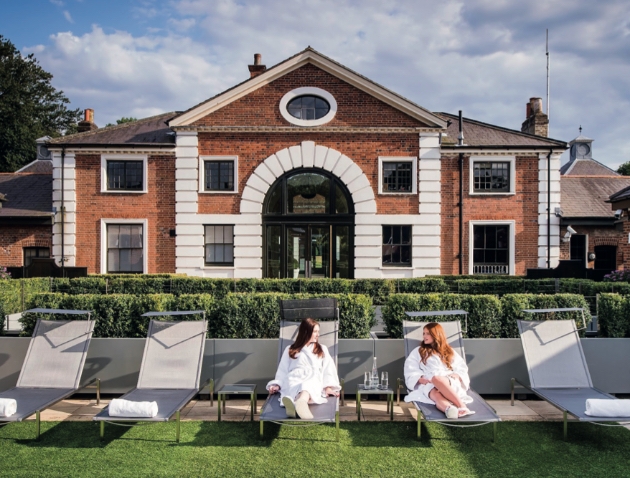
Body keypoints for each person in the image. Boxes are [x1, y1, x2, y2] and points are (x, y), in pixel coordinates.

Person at [267, 318, 341, 419]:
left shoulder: (322, 349)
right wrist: (277, 384)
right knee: (298, 386)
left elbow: (328, 369)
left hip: (313, 378)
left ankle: (297, 403)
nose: (318, 334)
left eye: (318, 331)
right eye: (315, 331)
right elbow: (283, 370)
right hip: (294, 378)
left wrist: (328, 387)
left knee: (306, 385)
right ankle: (299, 404)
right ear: (306, 332)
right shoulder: (290, 349)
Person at [403, 322, 474, 419]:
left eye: (428, 333)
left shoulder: (449, 351)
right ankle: (449, 410)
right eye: (424, 333)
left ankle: (462, 406)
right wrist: (420, 379)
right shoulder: (418, 351)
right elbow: (411, 368)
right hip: (429, 382)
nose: (424, 336)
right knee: (435, 394)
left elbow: (461, 366)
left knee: (437, 379)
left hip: (448, 380)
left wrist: (458, 375)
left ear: (436, 334)